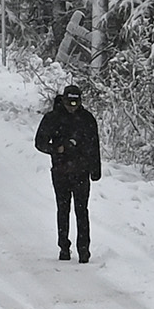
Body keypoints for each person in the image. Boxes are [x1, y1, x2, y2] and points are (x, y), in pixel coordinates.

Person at [36, 84, 100, 263]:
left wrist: (95, 170)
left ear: (80, 101)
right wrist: (56, 149)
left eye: (75, 102)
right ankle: (64, 247)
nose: (72, 106)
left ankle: (84, 251)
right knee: (63, 210)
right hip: (61, 171)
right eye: (69, 102)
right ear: (63, 100)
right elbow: (39, 142)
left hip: (82, 172)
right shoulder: (53, 118)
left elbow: (95, 145)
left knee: (82, 211)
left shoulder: (87, 119)